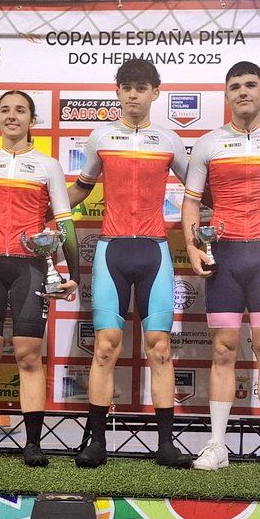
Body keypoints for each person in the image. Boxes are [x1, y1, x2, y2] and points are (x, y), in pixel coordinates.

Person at [182, 61, 260, 471]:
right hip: (225, 254)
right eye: (235, 86)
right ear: (226, 95)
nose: (243, 92)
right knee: (223, 349)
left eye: (250, 85)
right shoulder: (208, 143)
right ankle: (217, 445)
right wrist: (193, 248)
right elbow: (190, 202)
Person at [67, 58, 192, 468]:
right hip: (112, 251)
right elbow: (80, 188)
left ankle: (166, 445)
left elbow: (197, 191)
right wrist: (40, 209)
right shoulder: (100, 137)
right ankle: (96, 443)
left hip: (155, 250)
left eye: (141, 87)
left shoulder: (170, 140)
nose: (133, 94)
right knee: (105, 347)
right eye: (127, 87)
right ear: (117, 92)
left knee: (160, 348)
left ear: (156, 92)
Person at [0, 90, 79, 467]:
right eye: (5, 110)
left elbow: (64, 222)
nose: (11, 116)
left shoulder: (48, 166)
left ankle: (33, 445)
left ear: (31, 120)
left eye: (20, 110)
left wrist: (73, 273)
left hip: (31, 267)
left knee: (28, 356)